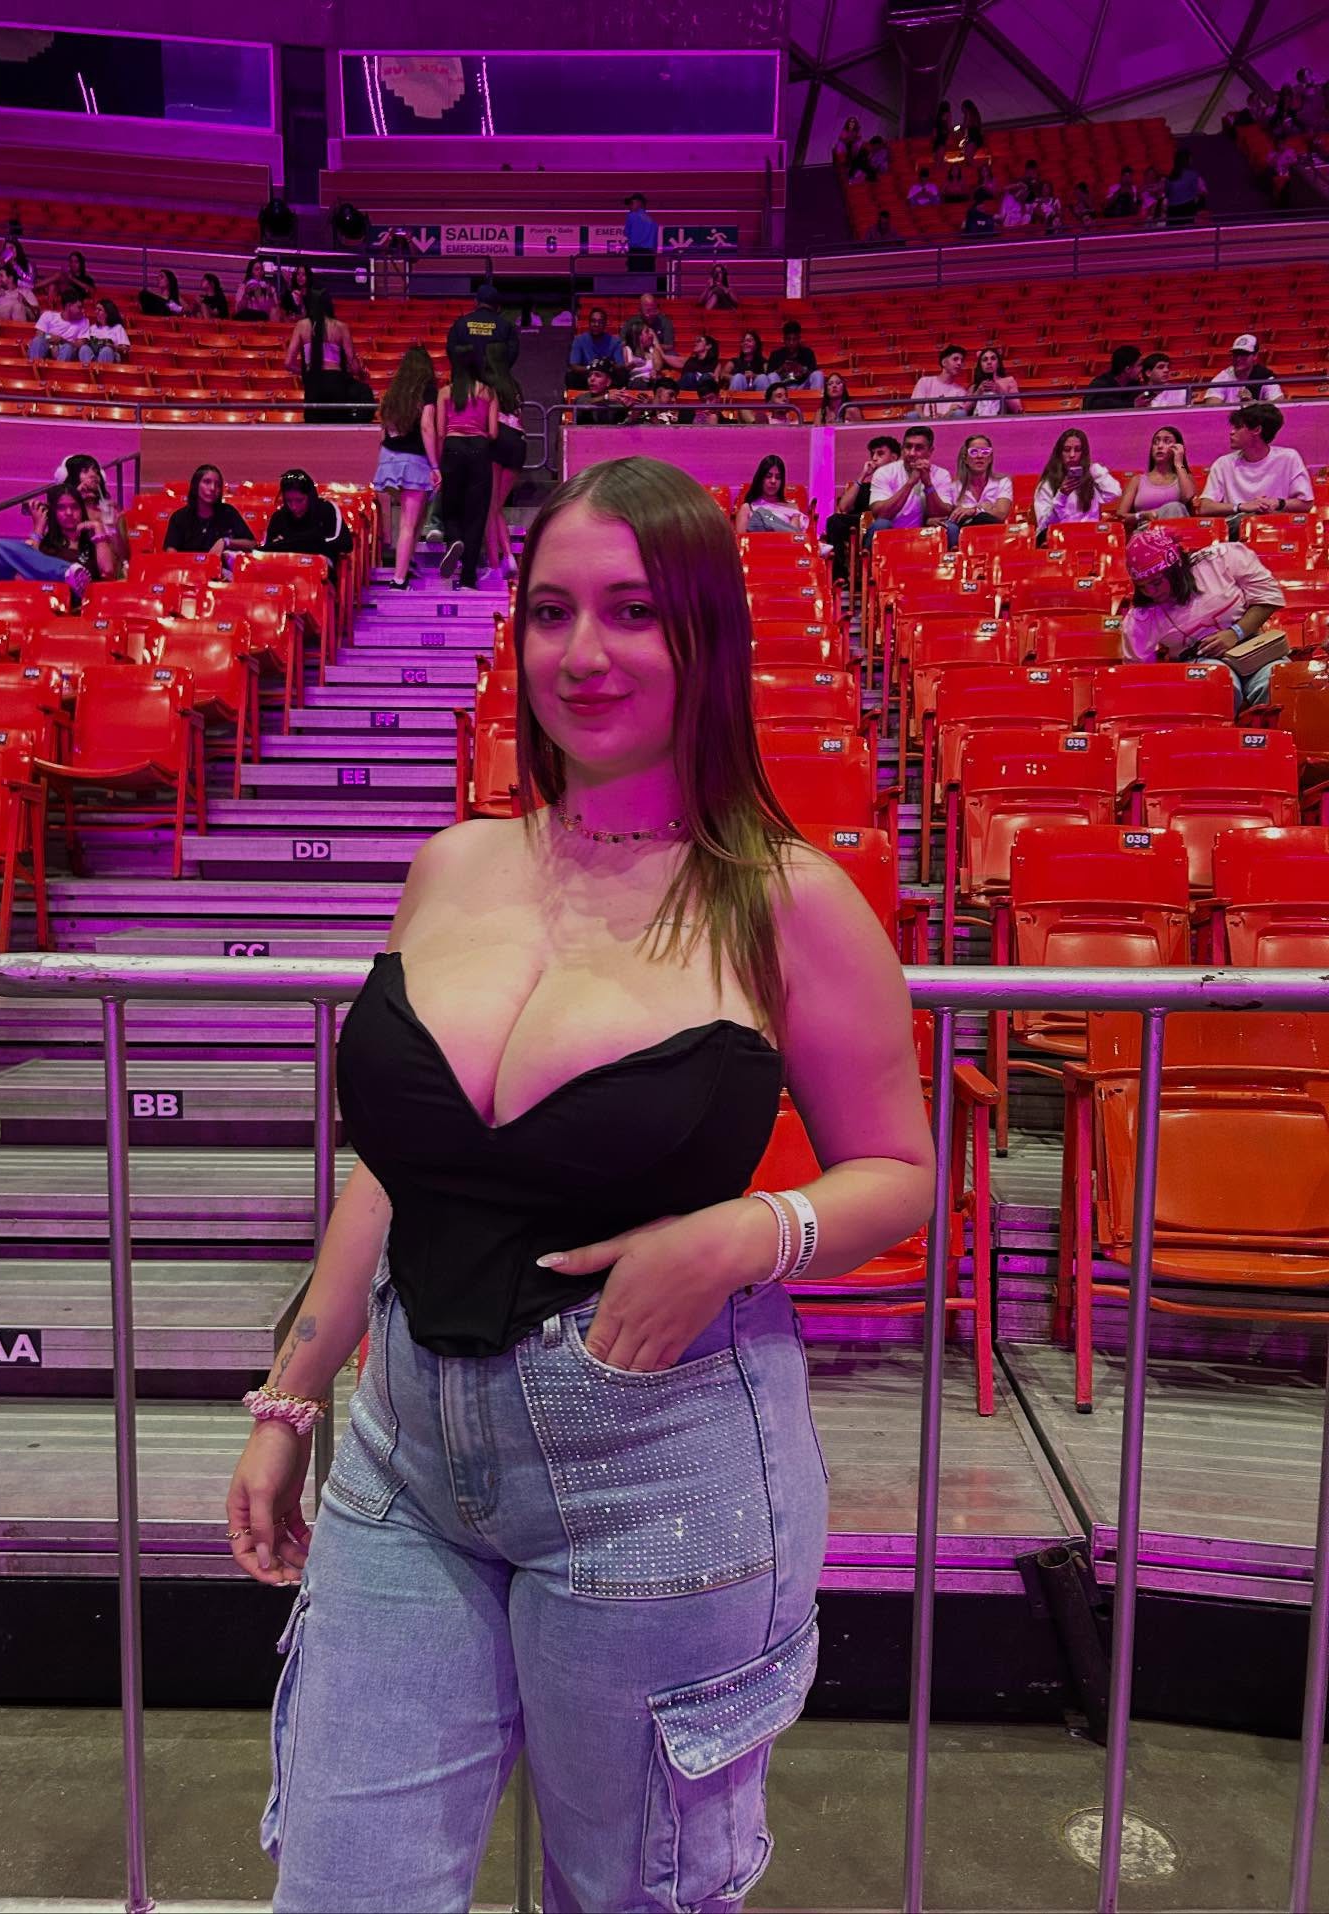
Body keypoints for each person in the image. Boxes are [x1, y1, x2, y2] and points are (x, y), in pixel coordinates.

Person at [231, 450, 931, 1911]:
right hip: (403, 1456)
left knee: (632, 1895)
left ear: (706, 636)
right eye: (550, 611)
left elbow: (899, 1173)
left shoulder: (789, 901)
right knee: (345, 1887)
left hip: (657, 1463)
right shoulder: (453, 865)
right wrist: (293, 1397)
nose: (582, 651)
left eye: (632, 611)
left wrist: (742, 1234)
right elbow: (403, 1168)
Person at [1121, 522, 1286, 712]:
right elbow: (1137, 674)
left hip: (1249, 646)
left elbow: (1269, 598)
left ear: (1176, 570)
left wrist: (1236, 632)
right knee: (1215, 684)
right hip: (1198, 662)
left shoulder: (1222, 558)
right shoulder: (1140, 617)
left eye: (1156, 582)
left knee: (1277, 680)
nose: (1150, 592)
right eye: (1142, 586)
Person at [373, 346, 441, 591]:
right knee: (408, 523)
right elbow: (427, 427)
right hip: (413, 461)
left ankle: (408, 563)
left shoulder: (393, 392)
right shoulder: (427, 390)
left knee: (416, 515)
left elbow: (384, 428)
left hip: (389, 459)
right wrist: (435, 465)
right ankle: (399, 580)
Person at [436, 345, 498, 592]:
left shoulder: (445, 393)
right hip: (479, 450)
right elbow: (493, 432)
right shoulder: (488, 393)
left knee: (450, 507)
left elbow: (440, 431)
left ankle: (454, 539)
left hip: (453, 447)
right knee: (476, 514)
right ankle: (469, 578)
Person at [1197, 401, 1312, 526]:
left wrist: (1277, 503)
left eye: (1238, 427)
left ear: (1257, 430)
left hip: (1275, 526)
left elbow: (1306, 504)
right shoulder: (1223, 463)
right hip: (1237, 526)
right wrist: (1241, 507)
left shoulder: (1289, 458)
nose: (1231, 432)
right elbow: (1205, 507)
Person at [0, 482, 117, 594]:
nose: (69, 513)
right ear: (53, 512)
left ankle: (69, 575)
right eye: (61, 508)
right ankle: (66, 573)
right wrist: (38, 529)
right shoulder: (46, 545)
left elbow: (108, 572)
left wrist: (98, 528)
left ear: (82, 510)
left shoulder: (94, 542)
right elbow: (24, 572)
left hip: (82, 599)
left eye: (74, 507)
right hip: (50, 597)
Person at [868, 423, 958, 551]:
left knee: (950, 528)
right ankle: (868, 564)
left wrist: (928, 484)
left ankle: (951, 563)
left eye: (919, 448)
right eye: (908, 447)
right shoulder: (884, 472)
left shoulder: (941, 474)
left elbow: (943, 513)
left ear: (930, 451)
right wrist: (910, 483)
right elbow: (881, 514)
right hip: (892, 532)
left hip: (926, 533)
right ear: (902, 448)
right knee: (881, 525)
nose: (911, 453)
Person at [822, 434, 900, 580]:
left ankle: (869, 571)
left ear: (894, 458)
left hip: (892, 526)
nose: (874, 458)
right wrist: (863, 475)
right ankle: (839, 576)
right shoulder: (865, 487)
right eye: (872, 454)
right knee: (834, 520)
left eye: (880, 454)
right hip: (862, 528)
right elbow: (843, 507)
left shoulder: (901, 485)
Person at [286, 291, 364, 424]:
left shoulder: (301, 326)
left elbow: (288, 363)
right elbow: (354, 366)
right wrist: (361, 372)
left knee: (313, 430)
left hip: (313, 381)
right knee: (337, 428)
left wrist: (304, 372)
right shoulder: (341, 327)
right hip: (335, 382)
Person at [484, 343, 527, 581]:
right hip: (519, 442)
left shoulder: (487, 384)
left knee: (490, 507)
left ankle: (495, 564)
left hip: (498, 438)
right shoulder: (515, 385)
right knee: (496, 506)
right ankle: (508, 557)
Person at [1033, 428, 1121, 537]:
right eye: (1067, 450)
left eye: (1078, 450)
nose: (1072, 455)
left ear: (1084, 453)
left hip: (1090, 536)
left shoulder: (1092, 478)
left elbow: (1115, 492)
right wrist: (1061, 496)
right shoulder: (1047, 485)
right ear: (1059, 453)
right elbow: (1044, 525)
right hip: (1061, 538)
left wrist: (1094, 469)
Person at [264, 470, 354, 567]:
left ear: (310, 496)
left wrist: (300, 544)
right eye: (288, 501)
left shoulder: (327, 510)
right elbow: (268, 552)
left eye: (299, 500)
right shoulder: (278, 517)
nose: (293, 507)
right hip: (286, 569)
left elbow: (345, 543)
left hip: (321, 570)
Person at [163, 465, 257, 557]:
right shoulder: (179, 517)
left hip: (221, 567)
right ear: (196, 485)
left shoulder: (228, 512)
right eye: (207, 482)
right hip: (188, 566)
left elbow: (252, 544)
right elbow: (171, 554)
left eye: (217, 484)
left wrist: (226, 541)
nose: (213, 488)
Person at [62, 453, 130, 572]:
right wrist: (75, 499)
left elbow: (124, 557)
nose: (93, 475)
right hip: (77, 571)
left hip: (110, 574)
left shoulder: (109, 510)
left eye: (95, 470)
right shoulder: (67, 511)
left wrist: (113, 528)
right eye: (85, 471)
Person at [1115, 426, 1196, 525]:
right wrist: (1141, 515)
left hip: (1175, 529)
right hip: (1145, 530)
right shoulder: (1137, 480)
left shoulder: (1184, 477)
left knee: (1175, 507)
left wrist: (1179, 463)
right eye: (1156, 442)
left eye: (1167, 441)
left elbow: (1187, 496)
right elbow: (1121, 517)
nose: (1160, 446)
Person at [446, 282, 520, 372]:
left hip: (467, 378)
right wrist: (496, 371)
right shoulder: (506, 326)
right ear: (498, 306)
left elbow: (451, 349)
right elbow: (512, 353)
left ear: (475, 302)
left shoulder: (460, 323)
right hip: (495, 377)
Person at [947, 434, 1012, 526]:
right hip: (964, 531)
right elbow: (950, 516)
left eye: (985, 452)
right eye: (973, 452)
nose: (980, 456)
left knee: (983, 518)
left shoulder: (1003, 482)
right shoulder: (953, 487)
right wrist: (987, 509)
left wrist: (974, 511)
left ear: (990, 458)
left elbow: (1001, 514)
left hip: (994, 530)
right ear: (965, 458)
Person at [1203, 333, 1285, 406]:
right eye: (1236, 354)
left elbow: (1279, 405)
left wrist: (1254, 404)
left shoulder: (1264, 377)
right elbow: (1211, 408)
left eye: (1244, 354)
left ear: (1255, 356)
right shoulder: (1222, 378)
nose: (1238, 359)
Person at [735, 456, 809, 536]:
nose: (773, 481)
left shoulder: (791, 509)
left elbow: (794, 539)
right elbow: (741, 541)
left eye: (778, 477)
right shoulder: (747, 508)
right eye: (768, 476)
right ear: (760, 478)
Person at [567, 308, 627, 389]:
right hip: (586, 376)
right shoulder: (579, 340)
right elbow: (574, 366)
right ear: (589, 323)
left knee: (623, 375)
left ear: (605, 324)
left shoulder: (615, 342)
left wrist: (607, 366)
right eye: (593, 321)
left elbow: (619, 365)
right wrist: (592, 368)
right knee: (570, 376)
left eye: (600, 322)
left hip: (606, 378)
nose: (596, 324)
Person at [909, 343, 969, 419]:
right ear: (944, 362)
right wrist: (924, 419)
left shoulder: (961, 391)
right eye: (955, 359)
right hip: (924, 421)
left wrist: (943, 418)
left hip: (946, 422)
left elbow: (954, 410)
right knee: (912, 415)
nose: (959, 363)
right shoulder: (924, 381)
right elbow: (918, 406)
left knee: (960, 413)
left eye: (961, 361)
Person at [27, 296, 91, 362]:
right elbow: (40, 335)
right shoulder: (48, 315)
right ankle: (34, 366)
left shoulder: (84, 321)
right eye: (79, 307)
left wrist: (61, 340)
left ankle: (58, 368)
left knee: (67, 348)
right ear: (68, 306)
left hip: (66, 350)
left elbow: (80, 344)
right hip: (48, 346)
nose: (83, 310)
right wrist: (51, 342)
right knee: (38, 341)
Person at [766, 321, 823, 393]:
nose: (791, 343)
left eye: (794, 339)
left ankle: (814, 399)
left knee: (818, 374)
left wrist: (803, 370)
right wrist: (781, 369)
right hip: (781, 388)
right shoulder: (775, 354)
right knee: (772, 375)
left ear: (799, 339)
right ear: (784, 339)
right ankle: (777, 400)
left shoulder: (808, 353)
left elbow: (813, 374)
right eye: (788, 339)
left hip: (803, 387)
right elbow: (768, 376)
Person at [1083, 345, 1143, 411]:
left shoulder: (1135, 384)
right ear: (1127, 369)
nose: (1142, 368)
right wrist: (1132, 405)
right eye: (1139, 365)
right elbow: (1092, 407)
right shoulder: (1100, 385)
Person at [969, 345, 1022, 417]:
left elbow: (1018, 409)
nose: (989, 362)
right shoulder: (974, 387)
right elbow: (964, 411)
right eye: (985, 359)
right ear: (980, 365)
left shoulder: (1009, 381)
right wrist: (978, 392)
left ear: (998, 364)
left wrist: (1000, 390)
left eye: (993, 358)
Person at [666, 332, 722, 398]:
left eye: (699, 341)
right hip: (685, 390)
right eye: (696, 342)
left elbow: (716, 381)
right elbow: (664, 357)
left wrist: (712, 377)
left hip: (704, 392)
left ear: (708, 346)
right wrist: (657, 345)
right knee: (690, 376)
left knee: (706, 377)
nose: (695, 344)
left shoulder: (716, 363)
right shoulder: (690, 360)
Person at [1164, 149, 1208, 226]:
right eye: (1190, 158)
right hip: (1187, 209)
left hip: (1172, 211)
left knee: (1174, 231)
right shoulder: (1192, 175)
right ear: (1186, 160)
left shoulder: (1170, 176)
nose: (1192, 160)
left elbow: (1167, 194)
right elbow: (1197, 191)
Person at [82, 299, 130, 365]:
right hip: (93, 356)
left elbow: (125, 348)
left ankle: (101, 370)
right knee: (84, 348)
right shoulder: (93, 327)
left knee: (106, 350)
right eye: (96, 309)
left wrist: (113, 347)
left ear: (108, 313)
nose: (96, 312)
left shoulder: (118, 328)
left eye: (99, 310)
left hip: (109, 356)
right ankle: (90, 369)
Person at [623, 191, 659, 269]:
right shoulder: (653, 222)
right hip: (649, 255)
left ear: (639, 203)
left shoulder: (631, 216)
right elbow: (655, 244)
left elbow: (626, 233)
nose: (629, 206)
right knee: (648, 275)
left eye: (632, 203)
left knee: (635, 275)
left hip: (636, 253)